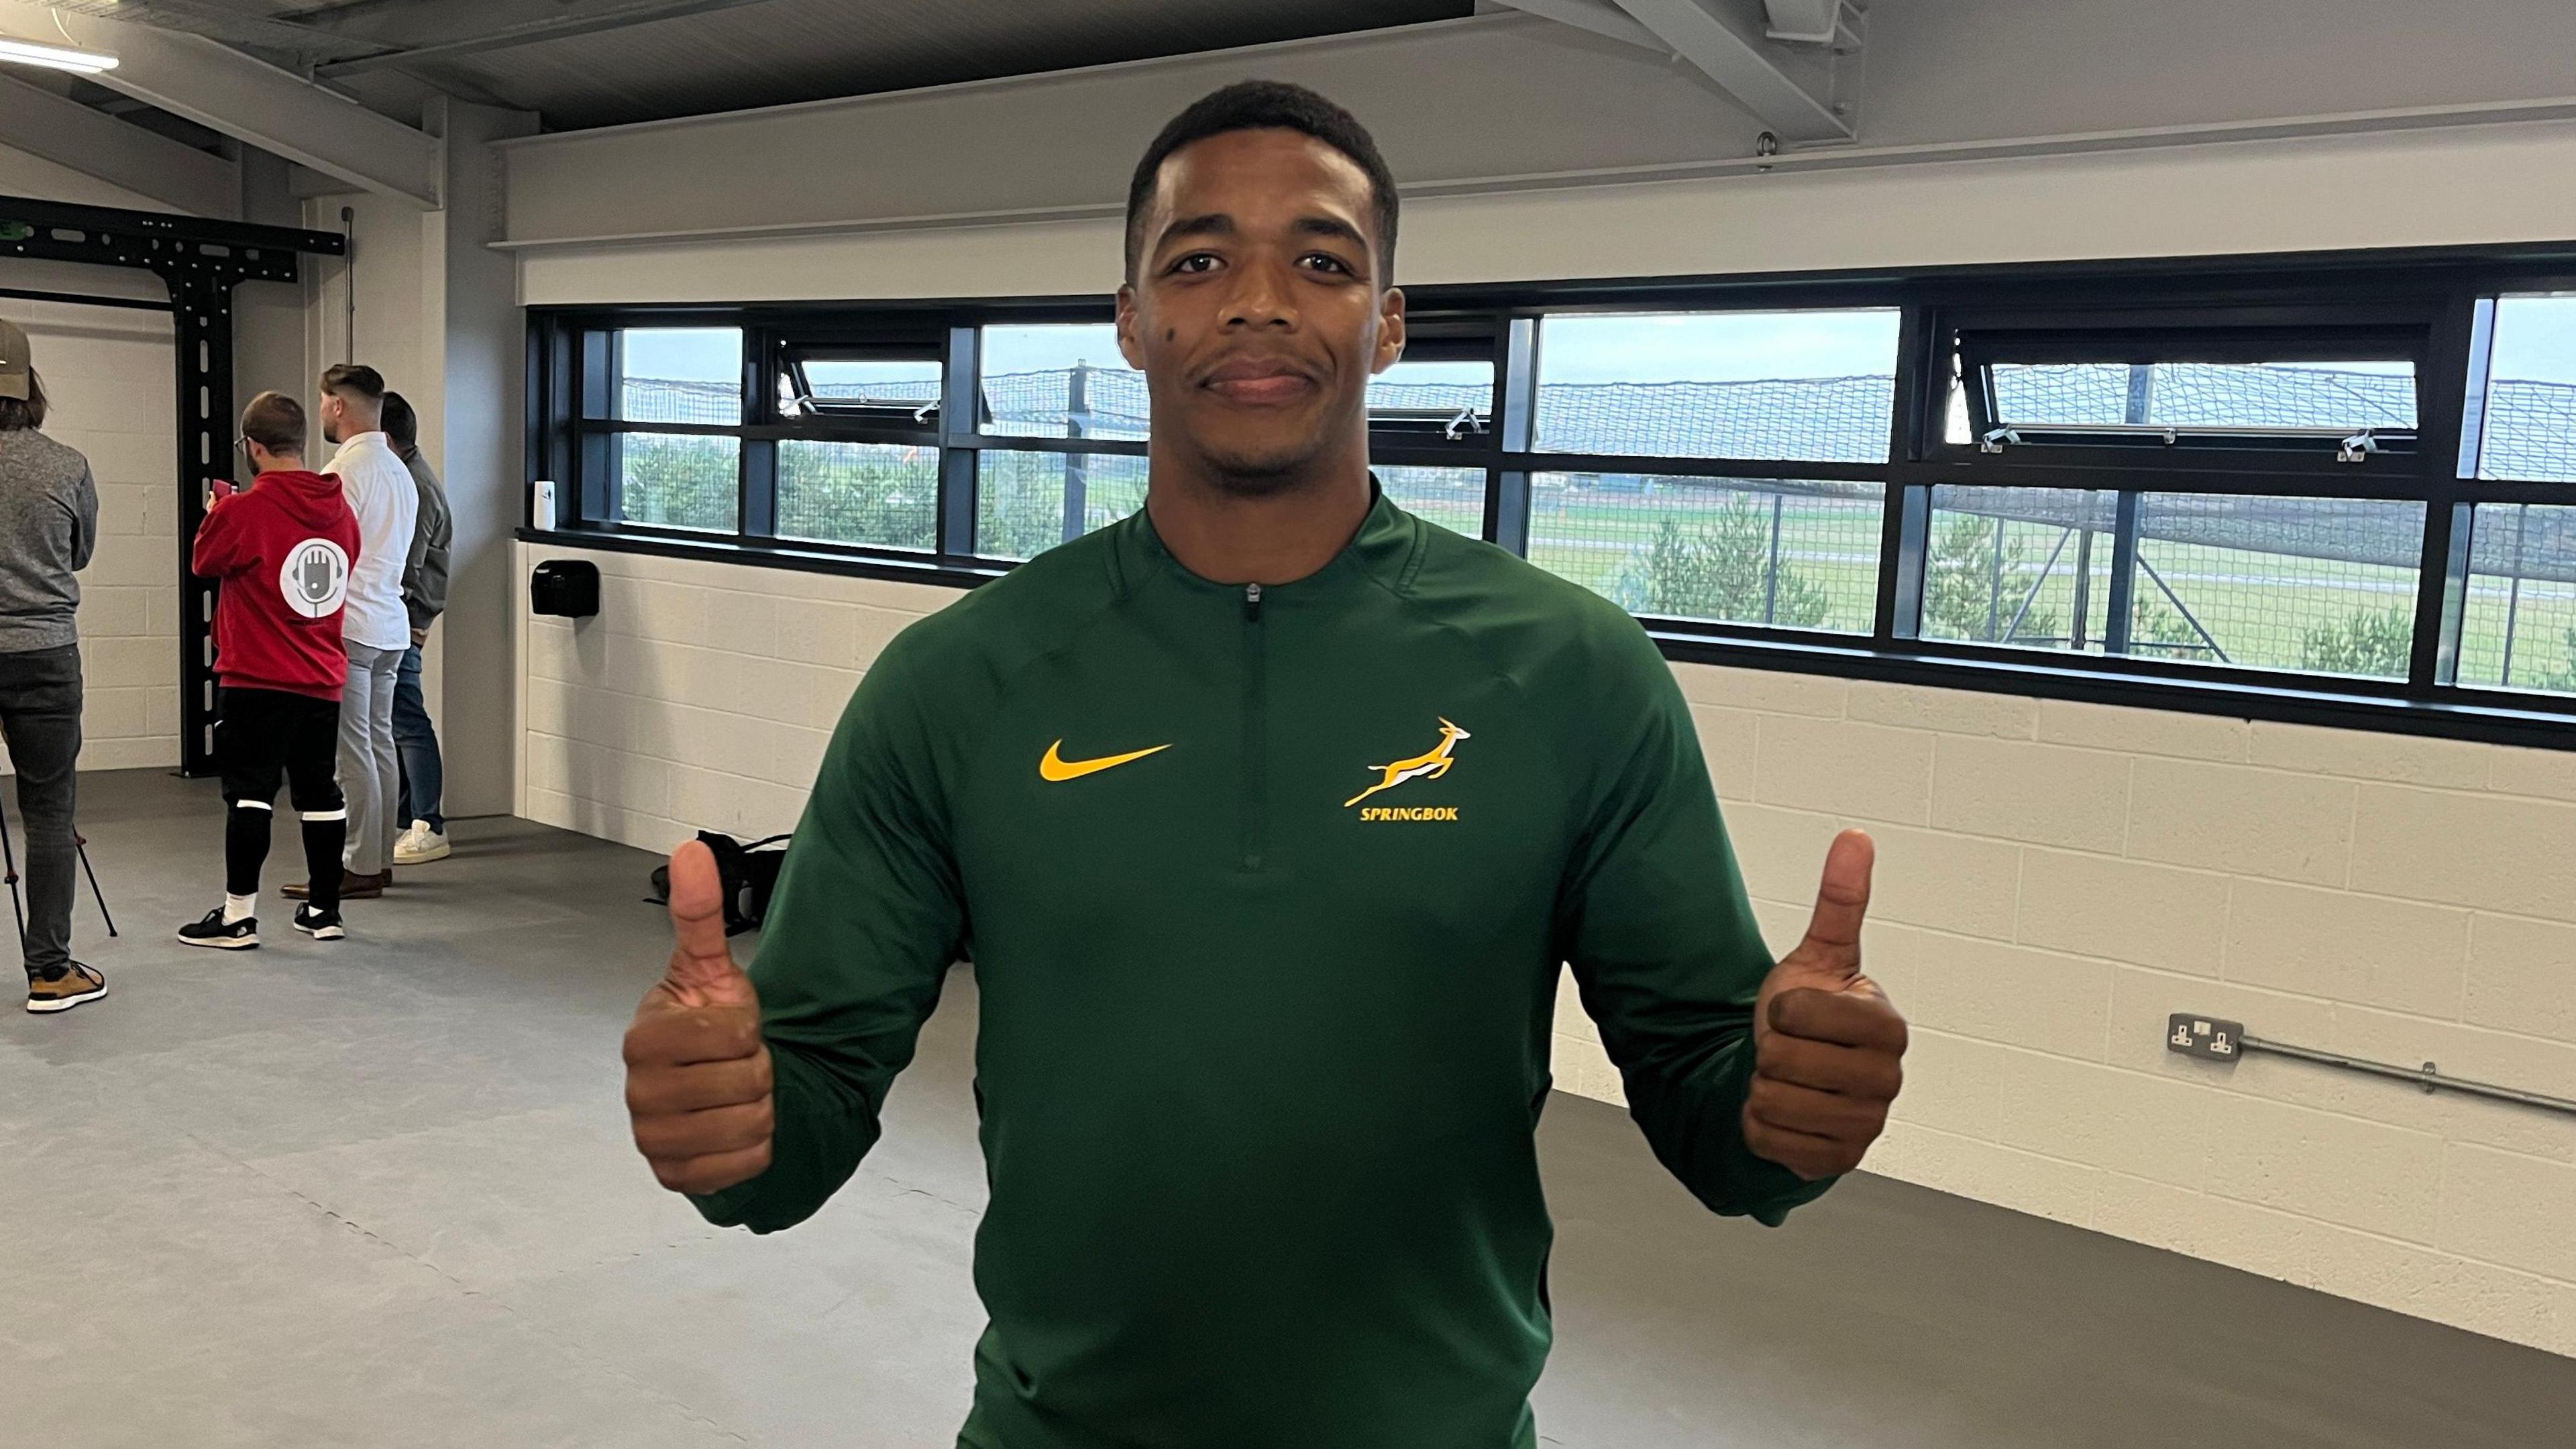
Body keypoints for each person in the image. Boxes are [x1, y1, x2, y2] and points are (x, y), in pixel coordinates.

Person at [621, 83, 1909, 1448]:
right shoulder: (962, 687)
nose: (1256, 300)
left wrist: (1794, 1109)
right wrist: (728, 1129)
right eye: (1197, 260)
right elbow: (797, 1121)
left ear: (1390, 323)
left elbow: (1726, 1123)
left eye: (1322, 260)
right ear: (1129, 318)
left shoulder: (1571, 677)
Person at [180, 392, 360, 947]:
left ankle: (238, 915)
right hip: (322, 677)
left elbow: (203, 562)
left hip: (257, 677)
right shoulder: (341, 511)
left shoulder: (243, 510)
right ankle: (324, 911)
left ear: (252, 447)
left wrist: (216, 515)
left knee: (252, 793)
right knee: (321, 793)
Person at [0, 318, 102, 1014]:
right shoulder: (65, 466)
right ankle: (50, 972)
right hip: (42, 653)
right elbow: (81, 554)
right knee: (48, 812)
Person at [286, 364, 414, 904]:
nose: (320, 411)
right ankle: (378, 859)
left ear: (337, 405)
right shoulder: (399, 472)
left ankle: (357, 865)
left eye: (322, 402)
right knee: (380, 742)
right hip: (390, 624)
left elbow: (327, 554)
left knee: (352, 751)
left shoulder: (343, 473)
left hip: (353, 626)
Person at [380, 391, 451, 865]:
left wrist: (404, 616)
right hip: (401, 615)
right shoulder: (406, 476)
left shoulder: (415, 485)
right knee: (395, 719)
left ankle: (429, 823)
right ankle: (411, 819)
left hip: (404, 617)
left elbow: (411, 561)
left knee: (407, 719)